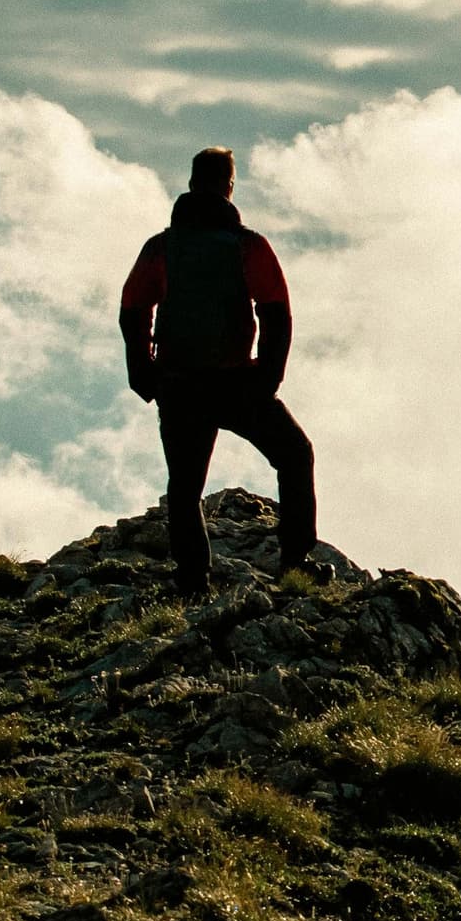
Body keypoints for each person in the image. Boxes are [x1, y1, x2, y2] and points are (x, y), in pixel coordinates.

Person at [119, 146, 315, 600]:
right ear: (230, 185)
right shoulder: (248, 245)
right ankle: (295, 564)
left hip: (179, 384)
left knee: (185, 488)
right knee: (294, 456)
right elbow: (276, 313)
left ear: (190, 184)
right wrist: (267, 378)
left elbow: (132, 309)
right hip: (235, 384)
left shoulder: (161, 247)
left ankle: (192, 583)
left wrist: (143, 374)